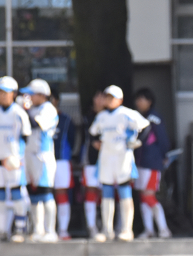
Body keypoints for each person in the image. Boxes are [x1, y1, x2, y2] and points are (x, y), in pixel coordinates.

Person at [89, 85, 150, 242]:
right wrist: (96, 142)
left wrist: (135, 142)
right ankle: (107, 230)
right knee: (107, 193)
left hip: (122, 158)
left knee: (124, 192)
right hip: (106, 159)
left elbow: (146, 126)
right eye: (107, 97)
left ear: (120, 100)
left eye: (112, 97)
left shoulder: (127, 114)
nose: (109, 100)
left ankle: (126, 229)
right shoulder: (101, 116)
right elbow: (92, 133)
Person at [0, 76, 32, 243]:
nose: (2, 96)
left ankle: (20, 229)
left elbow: (26, 137)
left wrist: (19, 158)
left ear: (14, 93)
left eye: (6, 92)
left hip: (13, 161)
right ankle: (1, 230)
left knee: (17, 194)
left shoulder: (19, 113)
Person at [20, 79, 59, 243]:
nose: (28, 97)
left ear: (42, 95)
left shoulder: (48, 109)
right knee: (33, 193)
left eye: (32, 94)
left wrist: (24, 111)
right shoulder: (30, 110)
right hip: (29, 155)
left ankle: (50, 230)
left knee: (45, 192)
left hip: (43, 156)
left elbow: (35, 125)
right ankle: (38, 230)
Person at [133, 87, 172, 239]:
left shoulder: (154, 118)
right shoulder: (138, 118)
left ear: (149, 101)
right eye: (137, 99)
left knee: (149, 196)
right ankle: (148, 229)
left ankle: (163, 229)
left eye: (141, 99)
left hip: (152, 163)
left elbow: (163, 140)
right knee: (143, 196)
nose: (138, 102)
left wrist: (164, 156)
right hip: (140, 163)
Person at [51, 89, 77, 240]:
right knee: (44, 194)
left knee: (61, 194)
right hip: (42, 161)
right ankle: (46, 229)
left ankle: (63, 230)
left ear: (56, 100)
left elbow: (72, 141)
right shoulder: (34, 118)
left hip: (61, 161)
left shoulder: (66, 119)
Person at [82, 90, 104, 239]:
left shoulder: (115, 115)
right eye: (98, 96)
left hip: (110, 162)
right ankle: (92, 226)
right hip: (92, 160)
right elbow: (95, 142)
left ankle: (107, 225)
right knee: (91, 191)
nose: (100, 99)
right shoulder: (89, 117)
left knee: (108, 193)